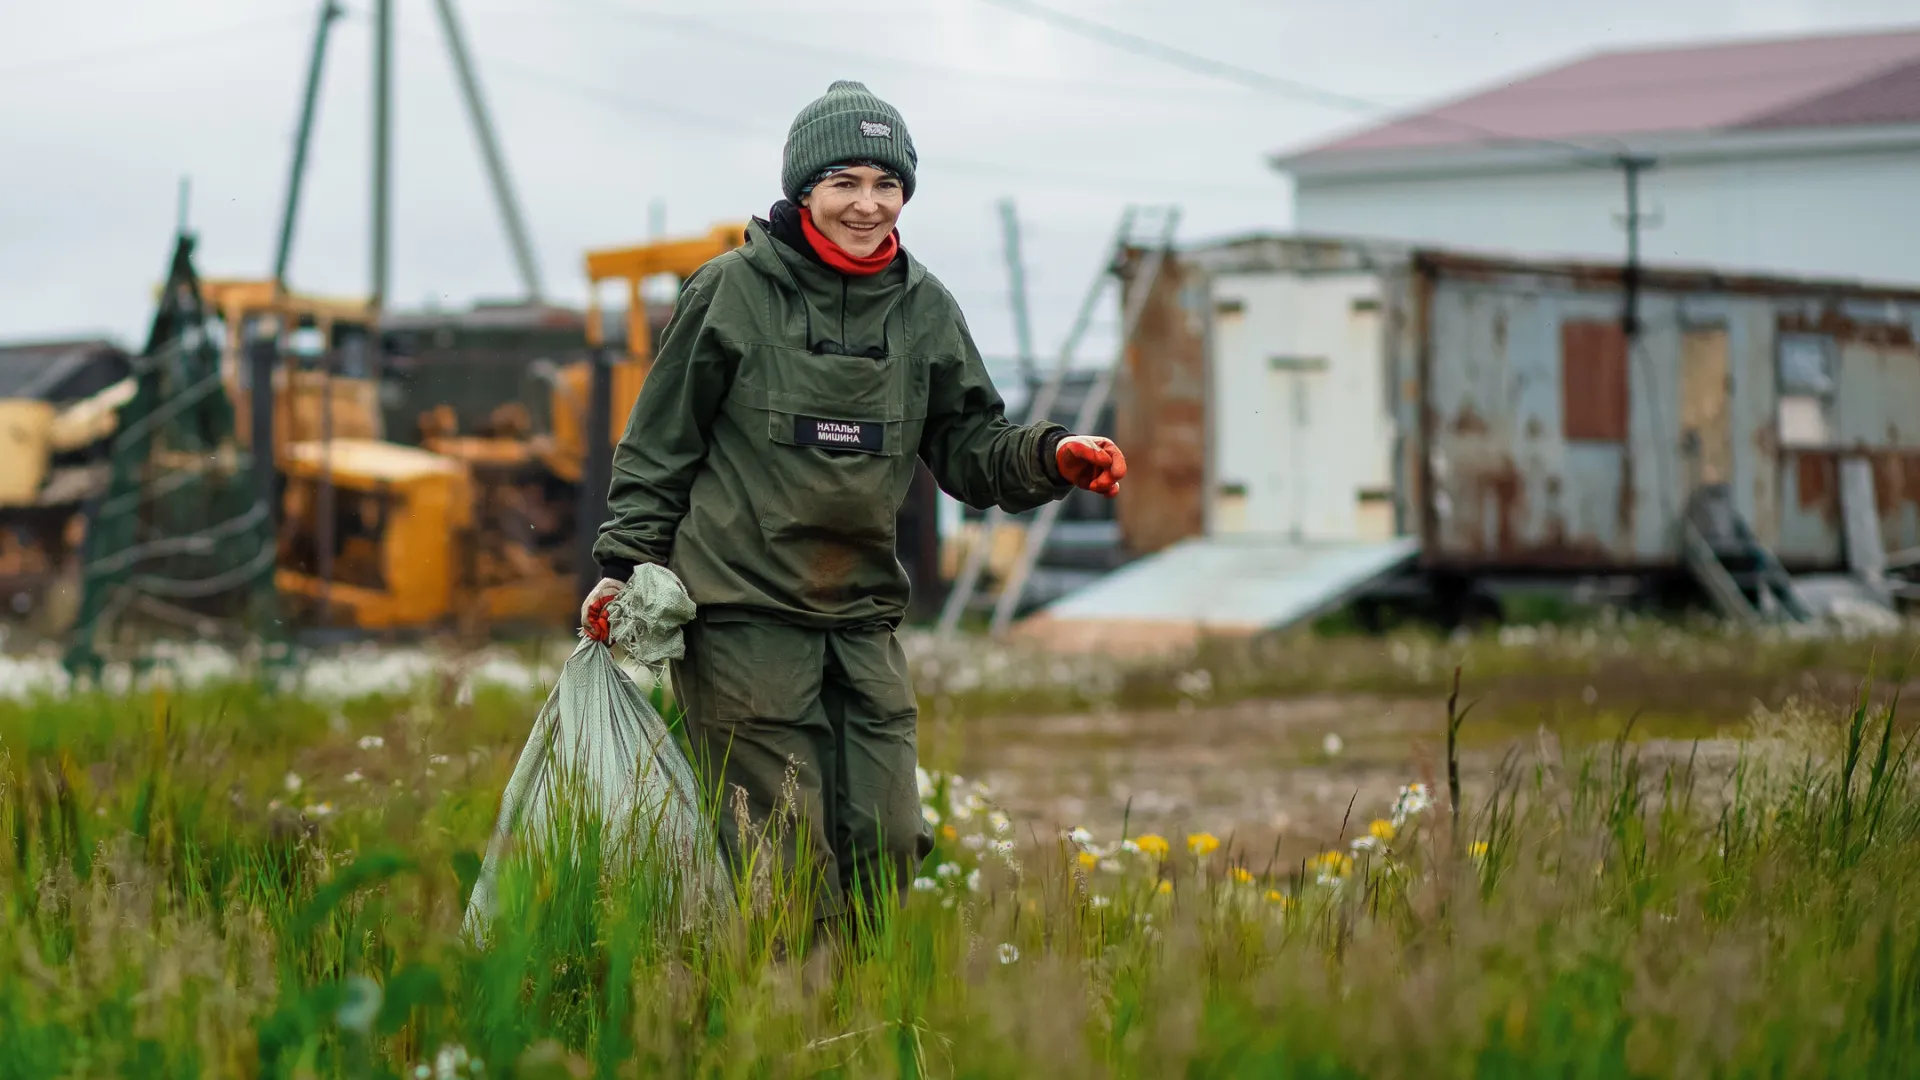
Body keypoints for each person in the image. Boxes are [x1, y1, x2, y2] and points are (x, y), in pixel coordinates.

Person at [582, 80, 1126, 940]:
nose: (867, 205)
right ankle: (784, 1031)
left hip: (861, 615)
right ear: (805, 191)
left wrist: (1050, 456)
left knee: (889, 841)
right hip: (742, 617)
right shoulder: (730, 292)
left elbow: (969, 443)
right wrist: (621, 569)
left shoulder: (924, 308)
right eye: (844, 183)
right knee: (784, 857)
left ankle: (861, 1021)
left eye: (887, 184)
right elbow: (660, 443)